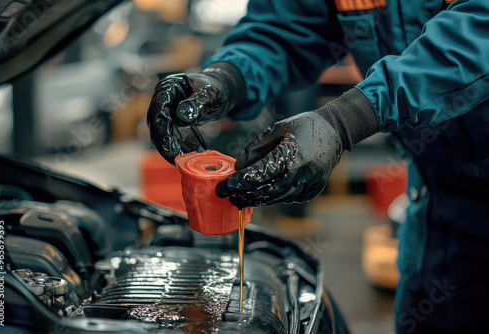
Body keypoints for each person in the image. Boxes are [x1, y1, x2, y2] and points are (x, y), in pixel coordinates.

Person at [147, 0, 489, 332]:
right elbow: (287, 25)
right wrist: (226, 78)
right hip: (446, 200)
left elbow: (479, 33)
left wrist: (347, 118)